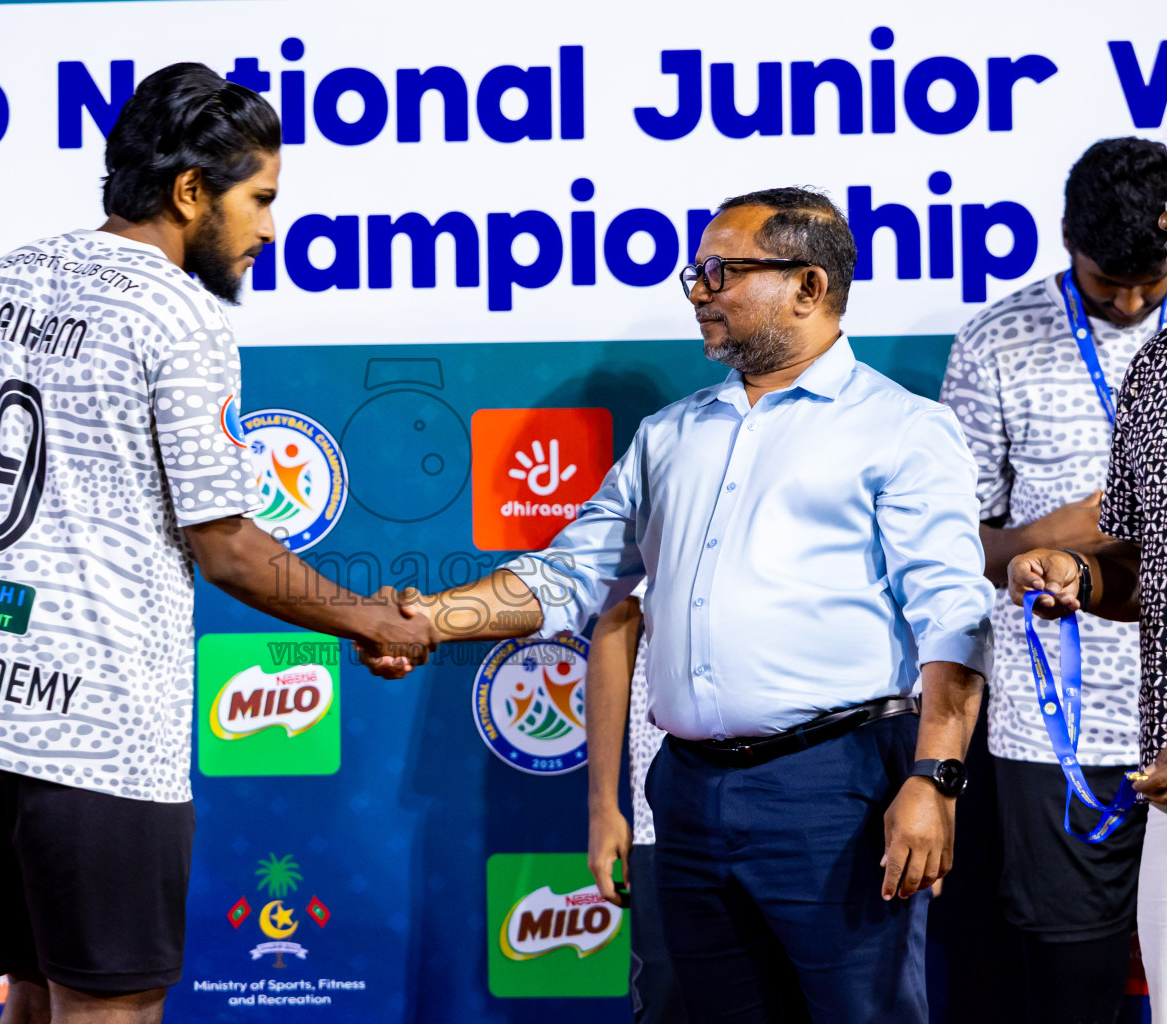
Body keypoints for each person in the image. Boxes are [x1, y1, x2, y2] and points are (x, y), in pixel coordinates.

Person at [367, 187, 993, 1023]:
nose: (697, 289)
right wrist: (423, 622)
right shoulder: (668, 436)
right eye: (696, 271)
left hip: (835, 793)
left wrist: (937, 776)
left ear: (808, 286)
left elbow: (955, 615)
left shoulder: (903, 430)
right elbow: (567, 577)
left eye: (720, 271)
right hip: (690, 795)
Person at [0, 63, 432, 1024]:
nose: (271, 228)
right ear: (191, 192)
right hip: (95, 736)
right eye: (261, 198)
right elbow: (225, 543)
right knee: (112, 1007)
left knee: (29, 991)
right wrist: (367, 621)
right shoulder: (178, 313)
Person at [940, 136, 1167, 1024]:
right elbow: (951, 543)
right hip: (1056, 726)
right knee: (1069, 981)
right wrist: (1065, 537)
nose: (1125, 303)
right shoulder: (997, 340)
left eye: (1147, 286)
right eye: (1101, 284)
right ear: (1063, 240)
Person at [586, 584, 687, 1023]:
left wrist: (919, 786)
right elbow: (619, 621)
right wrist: (603, 806)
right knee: (671, 1002)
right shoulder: (652, 511)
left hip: (826, 800)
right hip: (668, 810)